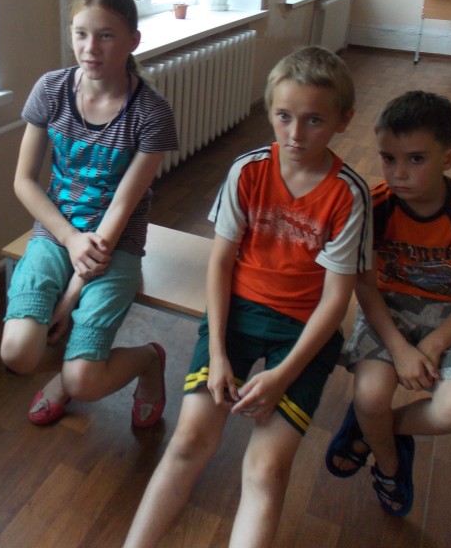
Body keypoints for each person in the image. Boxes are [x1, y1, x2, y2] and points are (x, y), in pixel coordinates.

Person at [123, 46, 371, 548]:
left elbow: (335, 301)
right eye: (284, 116)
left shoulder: (349, 194)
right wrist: (217, 354)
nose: (295, 134)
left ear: (343, 120)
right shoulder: (249, 169)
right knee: (188, 442)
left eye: (314, 120)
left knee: (266, 470)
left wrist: (283, 376)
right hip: (236, 318)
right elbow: (220, 263)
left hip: (303, 332)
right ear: (269, 111)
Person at [0, 0, 178, 428]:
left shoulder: (151, 113)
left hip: (114, 243)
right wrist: (68, 238)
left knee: (83, 381)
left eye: (106, 35)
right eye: (80, 33)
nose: (90, 48)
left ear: (133, 40)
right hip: (58, 232)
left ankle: (147, 359)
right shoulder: (51, 89)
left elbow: (121, 209)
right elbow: (24, 182)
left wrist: (69, 299)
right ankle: (70, 367)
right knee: (17, 353)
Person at [325, 91, 451, 517]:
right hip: (387, 311)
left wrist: (432, 345)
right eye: (388, 158)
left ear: (449, 158)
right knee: (370, 396)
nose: (398, 173)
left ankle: (372, 432)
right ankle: (390, 465)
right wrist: (401, 348)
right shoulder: (374, 206)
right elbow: (366, 286)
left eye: (416, 159)